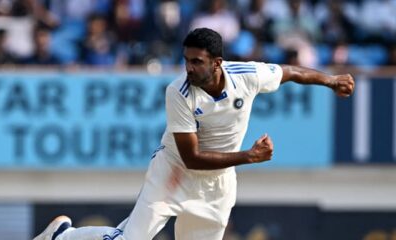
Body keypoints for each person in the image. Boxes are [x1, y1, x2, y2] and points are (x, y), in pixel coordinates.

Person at [34, 27, 355, 240]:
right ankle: (64, 234)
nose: (189, 68)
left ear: (217, 63)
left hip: (215, 188)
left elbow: (291, 72)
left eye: (197, 62)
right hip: (172, 174)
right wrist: (249, 156)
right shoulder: (179, 92)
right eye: (186, 60)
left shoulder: (247, 75)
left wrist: (331, 80)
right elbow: (192, 157)